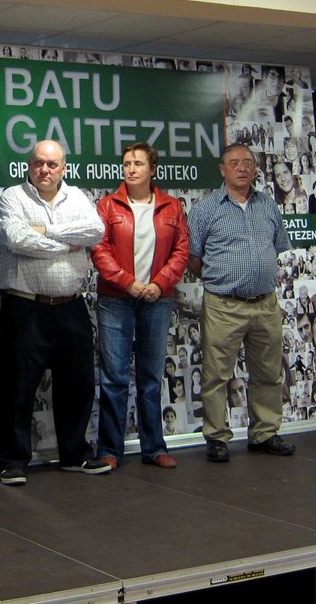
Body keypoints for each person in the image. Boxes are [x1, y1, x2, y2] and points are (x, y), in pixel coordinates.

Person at [0, 140, 110, 486]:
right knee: (17, 386)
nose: (45, 170)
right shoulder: (12, 197)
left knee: (77, 383)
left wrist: (46, 232)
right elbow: (17, 239)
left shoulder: (78, 198)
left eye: (52, 164)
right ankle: (12, 460)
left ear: (63, 168)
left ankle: (75, 454)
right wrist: (67, 244)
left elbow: (96, 231)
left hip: (71, 305)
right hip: (25, 306)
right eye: (38, 163)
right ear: (29, 165)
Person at [188, 143, 295, 464]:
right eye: (234, 163)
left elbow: (277, 246)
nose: (242, 168)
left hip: (265, 304)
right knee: (216, 376)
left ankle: (265, 433)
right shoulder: (206, 209)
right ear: (222, 169)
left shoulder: (268, 206)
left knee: (269, 372)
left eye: (247, 162)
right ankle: (217, 437)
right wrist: (221, 279)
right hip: (224, 305)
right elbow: (193, 258)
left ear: (255, 168)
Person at [91, 143, 189, 470]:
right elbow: (99, 249)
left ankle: (154, 448)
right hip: (115, 299)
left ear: (152, 169)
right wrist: (126, 282)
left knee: (150, 377)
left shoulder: (172, 207)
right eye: (126, 163)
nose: (131, 169)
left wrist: (159, 284)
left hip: (157, 300)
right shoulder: (107, 205)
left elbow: (181, 251)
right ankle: (109, 450)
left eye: (138, 163)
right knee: (114, 378)